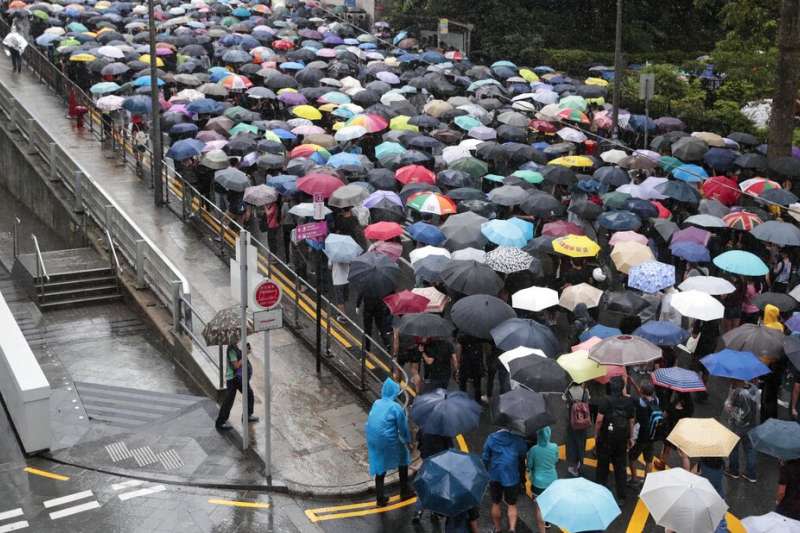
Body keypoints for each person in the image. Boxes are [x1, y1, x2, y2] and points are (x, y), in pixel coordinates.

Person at [365, 378, 412, 507]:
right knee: (403, 458)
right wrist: (408, 441)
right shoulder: (395, 407)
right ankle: (404, 491)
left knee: (380, 464)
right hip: (386, 440)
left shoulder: (377, 402)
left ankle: (380, 498)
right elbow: (402, 428)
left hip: (372, 438)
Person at [594, 377, 635, 504]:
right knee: (620, 468)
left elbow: (599, 421)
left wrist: (596, 435)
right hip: (621, 440)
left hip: (605, 439)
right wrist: (631, 437)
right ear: (623, 387)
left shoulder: (605, 401)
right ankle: (621, 496)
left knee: (602, 466)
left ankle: (600, 491)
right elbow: (631, 420)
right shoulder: (629, 402)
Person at [482, 429, 528, 533]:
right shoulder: (517, 439)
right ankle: (512, 529)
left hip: (494, 475)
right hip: (512, 477)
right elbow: (523, 452)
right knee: (512, 504)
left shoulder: (491, 438)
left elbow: (485, 457)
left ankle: (498, 529)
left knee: (495, 503)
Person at [412, 429, 453, 524]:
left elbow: (419, 442)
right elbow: (450, 447)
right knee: (437, 487)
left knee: (424, 486)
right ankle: (435, 512)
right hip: (440, 461)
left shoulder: (423, 427)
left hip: (426, 460)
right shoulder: (444, 430)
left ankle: (418, 511)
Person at [627, 382, 664, 486]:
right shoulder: (656, 400)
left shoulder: (638, 402)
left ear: (642, 391)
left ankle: (634, 479)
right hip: (652, 435)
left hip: (641, 435)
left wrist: (627, 382)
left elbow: (627, 396)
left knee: (632, 457)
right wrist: (634, 383)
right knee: (649, 460)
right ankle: (646, 482)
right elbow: (643, 394)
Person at [215, 342, 259, 430]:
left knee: (249, 394)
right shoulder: (231, 349)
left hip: (238, 378)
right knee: (229, 401)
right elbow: (236, 366)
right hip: (233, 379)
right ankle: (220, 422)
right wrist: (245, 354)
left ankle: (247, 415)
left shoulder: (235, 346)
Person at [723, 380, 761, 482]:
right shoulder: (755, 389)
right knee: (750, 449)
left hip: (736, 426)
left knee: (734, 448)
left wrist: (729, 397)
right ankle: (751, 474)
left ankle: (734, 471)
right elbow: (757, 407)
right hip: (751, 425)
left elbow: (728, 407)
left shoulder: (736, 391)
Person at [527, 426, 558, 533]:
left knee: (539, 508)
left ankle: (542, 531)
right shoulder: (554, 447)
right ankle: (548, 521)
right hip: (552, 481)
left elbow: (529, 465)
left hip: (538, 483)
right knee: (548, 503)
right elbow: (555, 460)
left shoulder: (534, 450)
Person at [656, 392, 694, 470]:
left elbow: (665, 414)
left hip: (671, 429)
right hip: (682, 430)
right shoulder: (689, 407)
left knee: (666, 448)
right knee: (684, 454)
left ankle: (662, 463)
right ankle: (687, 473)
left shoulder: (675, 404)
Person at [563, 381, 591, 477]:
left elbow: (565, 403)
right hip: (583, 421)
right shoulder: (585, 391)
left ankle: (573, 466)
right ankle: (580, 463)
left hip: (572, 422)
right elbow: (587, 403)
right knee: (581, 443)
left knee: (572, 443)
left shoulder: (568, 392)